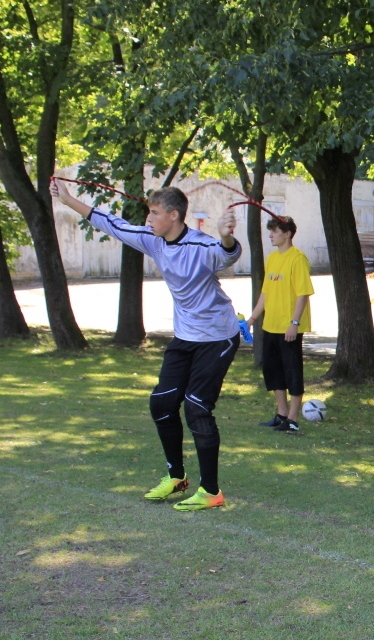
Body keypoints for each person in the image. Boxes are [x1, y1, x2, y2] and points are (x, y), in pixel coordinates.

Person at [52, 180, 243, 511]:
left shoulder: (200, 246)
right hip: (185, 338)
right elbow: (111, 223)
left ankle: (211, 491)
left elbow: (226, 254)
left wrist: (226, 235)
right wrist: (68, 200)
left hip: (218, 337)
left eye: (154, 213)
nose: (148, 219)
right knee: (161, 404)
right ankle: (177, 477)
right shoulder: (153, 241)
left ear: (174, 215)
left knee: (197, 408)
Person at [246, 216, 314, 433]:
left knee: (292, 371)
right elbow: (265, 293)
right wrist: (252, 319)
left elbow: (303, 294)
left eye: (274, 231)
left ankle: (293, 420)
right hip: (270, 325)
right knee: (273, 371)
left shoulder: (298, 258)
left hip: (289, 328)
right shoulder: (272, 258)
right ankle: (281, 414)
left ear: (287, 233)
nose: (270, 235)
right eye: (270, 231)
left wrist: (294, 323)